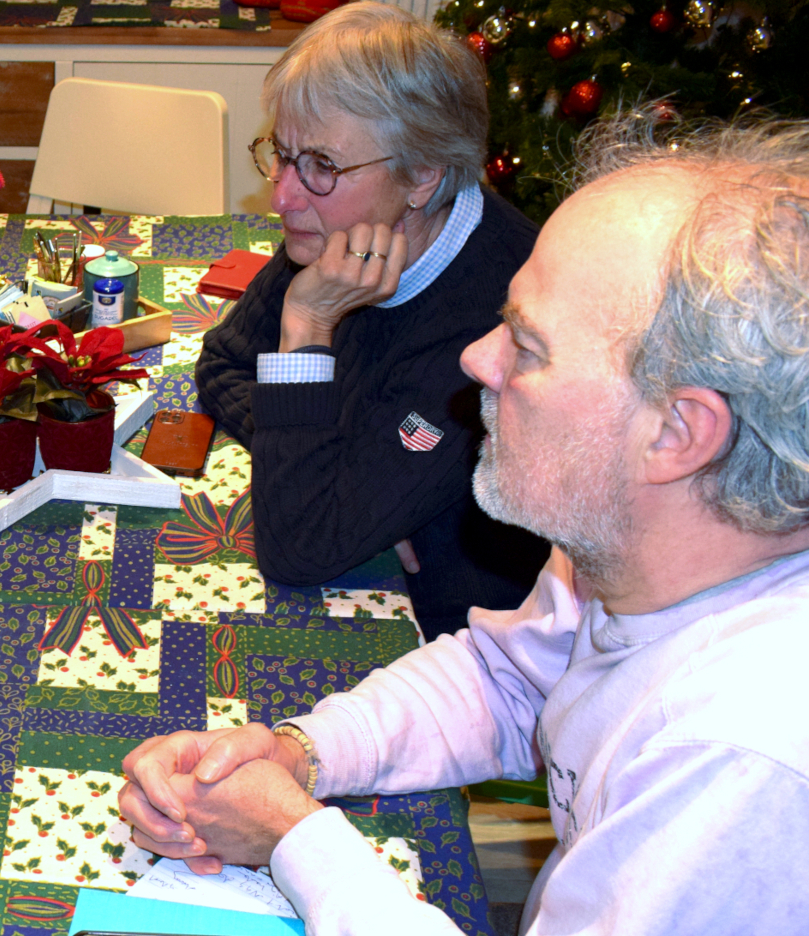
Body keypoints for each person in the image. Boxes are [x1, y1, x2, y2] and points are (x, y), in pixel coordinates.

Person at [123, 110, 809, 932]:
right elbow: (510, 679)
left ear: (677, 433)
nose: (477, 358)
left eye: (527, 344)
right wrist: (300, 752)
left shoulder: (740, 763)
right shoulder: (635, 548)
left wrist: (293, 837)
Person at [195, 1, 548, 639]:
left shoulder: (492, 328)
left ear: (422, 175)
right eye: (283, 153)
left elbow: (297, 547)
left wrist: (304, 327)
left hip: (462, 643)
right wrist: (333, 457)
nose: (283, 195)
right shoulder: (346, 229)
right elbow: (224, 360)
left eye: (323, 166)